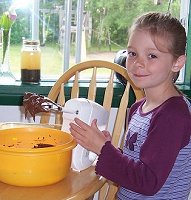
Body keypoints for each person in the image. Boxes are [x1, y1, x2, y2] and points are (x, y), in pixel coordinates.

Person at [69, 12, 191, 199]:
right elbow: (135, 169)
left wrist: (103, 149)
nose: (138, 63)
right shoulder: (138, 108)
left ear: (177, 62)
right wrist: (107, 148)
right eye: (132, 53)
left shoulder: (173, 116)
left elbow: (147, 181)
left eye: (152, 55)